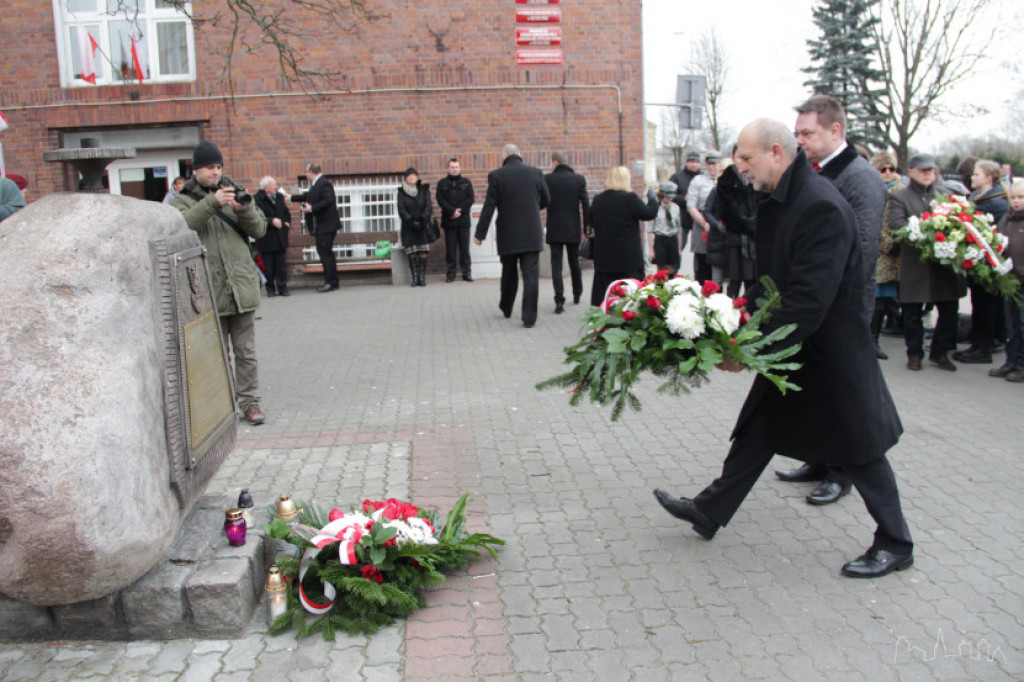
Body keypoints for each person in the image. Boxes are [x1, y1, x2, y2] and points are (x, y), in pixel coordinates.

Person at [654, 119, 913, 579]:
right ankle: (710, 510)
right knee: (760, 426)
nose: (743, 171)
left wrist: (749, 346)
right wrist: (729, 313)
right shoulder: (781, 201)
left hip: (830, 351)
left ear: (777, 152)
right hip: (798, 343)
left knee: (862, 448)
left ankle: (896, 543)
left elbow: (807, 299)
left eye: (748, 160)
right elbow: (771, 283)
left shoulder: (820, 207)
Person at [775, 94, 889, 507]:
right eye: (797, 133)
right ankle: (819, 461)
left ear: (835, 130)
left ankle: (841, 474)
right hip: (816, 302)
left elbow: (859, 250)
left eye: (808, 133)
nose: (799, 141)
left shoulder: (860, 178)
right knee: (814, 387)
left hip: (844, 307)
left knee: (843, 396)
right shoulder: (818, 172)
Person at [171, 140, 268, 425]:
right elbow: (182, 226)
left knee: (246, 353)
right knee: (216, 356)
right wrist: (212, 202)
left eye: (218, 167)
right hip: (207, 290)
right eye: (209, 168)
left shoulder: (234, 193)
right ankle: (223, 406)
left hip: (240, 286)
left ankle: (250, 403)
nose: (215, 173)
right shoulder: (184, 199)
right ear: (196, 170)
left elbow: (260, 229)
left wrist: (242, 208)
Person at [888, 153, 966, 372]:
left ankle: (940, 352)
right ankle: (914, 353)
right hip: (915, 265)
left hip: (944, 265)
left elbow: (960, 221)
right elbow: (896, 225)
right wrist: (926, 231)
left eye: (931, 170)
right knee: (912, 313)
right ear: (911, 171)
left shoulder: (946, 194)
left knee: (949, 310)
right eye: (922, 170)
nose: (927, 174)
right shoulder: (900, 197)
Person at [474, 144, 550, 328]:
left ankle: (506, 307)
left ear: (504, 157)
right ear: (520, 155)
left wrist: (480, 234)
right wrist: (532, 208)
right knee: (531, 275)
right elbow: (547, 200)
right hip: (531, 231)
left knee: (509, 272)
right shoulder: (536, 173)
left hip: (508, 233)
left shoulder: (497, 175)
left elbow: (489, 206)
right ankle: (529, 318)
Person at [954, 159, 1010, 364]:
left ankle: (984, 347)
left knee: (987, 306)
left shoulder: (997, 203)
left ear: (988, 178)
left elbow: (1001, 235)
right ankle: (976, 343)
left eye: (976, 174)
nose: (972, 177)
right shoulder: (976, 198)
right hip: (976, 261)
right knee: (978, 304)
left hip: (989, 263)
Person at [588, 166, 659, 306]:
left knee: (603, 293)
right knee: (630, 292)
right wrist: (652, 198)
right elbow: (649, 213)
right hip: (627, 259)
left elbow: (591, 221)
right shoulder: (630, 199)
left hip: (604, 257)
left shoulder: (598, 200)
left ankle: (601, 320)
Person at [703, 145, 757, 297]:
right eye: (739, 157)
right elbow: (721, 211)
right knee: (733, 283)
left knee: (752, 283)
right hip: (734, 239)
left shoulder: (756, 177)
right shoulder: (726, 181)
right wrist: (735, 224)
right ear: (733, 158)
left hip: (752, 241)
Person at [544, 151, 591, 312]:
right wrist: (587, 228)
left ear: (555, 162)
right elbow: (585, 205)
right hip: (572, 228)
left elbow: (543, 201)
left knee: (556, 264)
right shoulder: (578, 180)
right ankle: (577, 292)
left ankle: (559, 300)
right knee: (574, 262)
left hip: (555, 228)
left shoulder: (548, 179)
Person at [989, 179, 1024, 382]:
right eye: (1014, 197)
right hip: (1009, 282)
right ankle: (1010, 362)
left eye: (1021, 197)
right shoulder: (1006, 219)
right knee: (1011, 325)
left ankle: (1021, 365)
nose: (1016, 201)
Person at [290, 163, 340, 292]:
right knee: (326, 253)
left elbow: (329, 200)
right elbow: (308, 196)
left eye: (306, 172)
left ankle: (330, 282)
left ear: (312, 172)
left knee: (325, 253)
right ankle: (333, 281)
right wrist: (290, 197)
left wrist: (312, 209)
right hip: (322, 226)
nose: (305, 175)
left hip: (326, 226)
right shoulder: (316, 184)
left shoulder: (323, 183)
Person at [435, 158, 475, 282]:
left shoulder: (466, 182)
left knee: (464, 249)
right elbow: (440, 199)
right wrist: (452, 211)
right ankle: (451, 274)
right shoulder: (442, 183)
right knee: (450, 249)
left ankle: (466, 273)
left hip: (463, 222)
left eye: (457, 167)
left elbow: (470, 198)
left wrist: (460, 211)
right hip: (449, 221)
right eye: (452, 167)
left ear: (460, 168)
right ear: (448, 168)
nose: (455, 169)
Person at [686, 150, 722, 284]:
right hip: (702, 223)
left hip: (721, 224)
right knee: (703, 264)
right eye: (709, 164)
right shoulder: (698, 180)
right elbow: (691, 205)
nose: (712, 167)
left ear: (720, 164)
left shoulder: (726, 180)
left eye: (715, 163)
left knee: (720, 267)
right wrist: (704, 224)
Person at [253, 176, 291, 297]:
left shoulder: (279, 197)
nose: (276, 187)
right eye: (273, 185)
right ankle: (270, 289)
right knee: (268, 267)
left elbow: (285, 212)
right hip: (266, 238)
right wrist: (271, 221)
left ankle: (283, 287)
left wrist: (286, 222)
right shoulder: (257, 199)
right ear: (266, 188)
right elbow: (256, 217)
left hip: (280, 237)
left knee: (281, 266)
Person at [397, 168, 433, 287]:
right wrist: (411, 221)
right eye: (409, 175)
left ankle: (422, 277)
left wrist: (422, 220)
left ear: (417, 177)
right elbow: (401, 209)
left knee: (422, 251)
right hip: (409, 227)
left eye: (414, 175)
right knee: (412, 253)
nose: (412, 177)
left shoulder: (424, 190)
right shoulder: (401, 192)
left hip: (422, 226)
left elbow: (428, 207)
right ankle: (415, 278)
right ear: (405, 178)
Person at [645, 181, 682, 277]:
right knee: (661, 268)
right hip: (660, 239)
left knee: (671, 267)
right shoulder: (655, 208)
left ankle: (671, 285)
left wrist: (679, 248)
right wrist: (651, 250)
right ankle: (660, 287)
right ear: (661, 195)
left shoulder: (676, 208)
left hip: (672, 239)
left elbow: (679, 229)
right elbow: (649, 230)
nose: (669, 198)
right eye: (666, 196)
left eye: (671, 196)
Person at [669, 151, 701, 251]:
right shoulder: (677, 177)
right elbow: (668, 195)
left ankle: (698, 267)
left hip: (698, 218)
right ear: (686, 163)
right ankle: (674, 266)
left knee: (699, 248)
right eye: (691, 162)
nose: (694, 164)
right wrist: (683, 199)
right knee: (678, 246)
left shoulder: (704, 177)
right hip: (682, 219)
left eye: (696, 162)